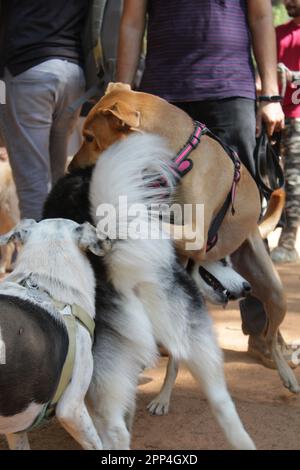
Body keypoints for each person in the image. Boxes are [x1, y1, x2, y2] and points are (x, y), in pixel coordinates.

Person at [116, 0, 298, 368]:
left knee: (242, 216)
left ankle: (264, 334)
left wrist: (270, 95)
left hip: (230, 91)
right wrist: (122, 91)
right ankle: (160, 330)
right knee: (158, 218)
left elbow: (261, 15)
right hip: (163, 100)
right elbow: (132, 23)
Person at [0, 1, 89, 220]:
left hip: (27, 69)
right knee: (58, 183)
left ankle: (40, 253)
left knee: (34, 187)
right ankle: (60, 250)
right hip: (73, 73)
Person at [271, 0, 300, 264]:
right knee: (268, 178)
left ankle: (288, 242)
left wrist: (294, 77)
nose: (289, 2)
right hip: (272, 115)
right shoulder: (277, 32)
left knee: (293, 179)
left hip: (298, 118)